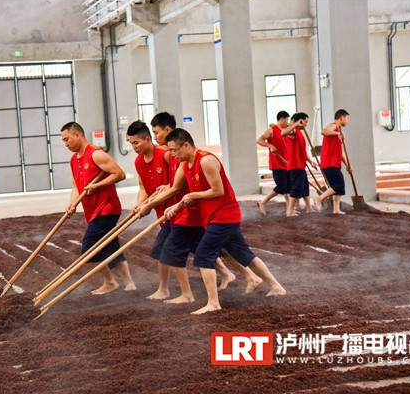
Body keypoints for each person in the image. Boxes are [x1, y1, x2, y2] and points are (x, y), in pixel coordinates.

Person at [153, 128, 286, 314]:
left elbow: (218, 190)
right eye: (170, 151)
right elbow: (178, 190)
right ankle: (276, 286)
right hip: (213, 216)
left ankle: (213, 303)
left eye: (175, 150)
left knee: (203, 255)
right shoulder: (185, 164)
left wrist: (193, 195)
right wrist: (176, 207)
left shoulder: (206, 160)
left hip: (224, 215)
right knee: (244, 255)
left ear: (186, 145)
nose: (173, 154)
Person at [147, 113, 261, 302]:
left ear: (169, 131)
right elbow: (175, 185)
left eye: (156, 132)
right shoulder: (180, 156)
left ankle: (191, 296)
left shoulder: (196, 158)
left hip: (195, 213)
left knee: (186, 251)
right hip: (194, 212)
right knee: (217, 249)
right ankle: (251, 277)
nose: (155, 137)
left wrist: (152, 205)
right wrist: (157, 197)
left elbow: (201, 189)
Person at [61, 122, 135, 294]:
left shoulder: (96, 154)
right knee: (111, 246)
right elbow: (76, 186)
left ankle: (110, 282)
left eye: (67, 139)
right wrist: (72, 203)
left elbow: (120, 174)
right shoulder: (74, 160)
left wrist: (97, 186)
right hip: (92, 210)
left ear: (77, 135)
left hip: (107, 207)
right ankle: (130, 283)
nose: (66, 144)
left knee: (89, 246)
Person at [127, 120, 173, 299]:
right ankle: (227, 274)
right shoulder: (138, 162)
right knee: (198, 246)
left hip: (175, 210)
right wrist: (139, 204)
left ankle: (164, 289)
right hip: (161, 212)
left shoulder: (166, 155)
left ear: (147, 139)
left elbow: (175, 185)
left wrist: (148, 205)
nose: (134, 147)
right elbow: (143, 188)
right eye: (131, 144)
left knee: (164, 249)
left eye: (136, 143)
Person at [315, 109, 352, 214]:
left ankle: (336, 209)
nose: (348, 121)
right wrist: (337, 133)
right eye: (347, 118)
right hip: (329, 162)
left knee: (338, 187)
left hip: (334, 163)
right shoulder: (334, 126)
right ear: (341, 118)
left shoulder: (338, 131)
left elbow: (341, 152)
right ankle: (319, 198)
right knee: (338, 184)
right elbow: (323, 131)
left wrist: (348, 165)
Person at [282, 112, 318, 217]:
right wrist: (296, 124)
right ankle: (289, 211)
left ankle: (309, 208)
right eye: (305, 122)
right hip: (295, 165)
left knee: (304, 187)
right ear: (299, 121)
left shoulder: (298, 132)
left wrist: (310, 161)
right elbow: (283, 133)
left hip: (301, 164)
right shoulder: (292, 130)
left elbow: (302, 150)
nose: (306, 124)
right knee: (296, 188)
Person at [257, 111, 291, 216]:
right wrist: (270, 146)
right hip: (277, 163)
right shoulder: (271, 131)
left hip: (287, 162)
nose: (287, 122)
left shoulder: (286, 131)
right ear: (281, 119)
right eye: (286, 120)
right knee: (281, 186)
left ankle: (289, 209)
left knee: (288, 187)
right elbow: (259, 140)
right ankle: (263, 202)